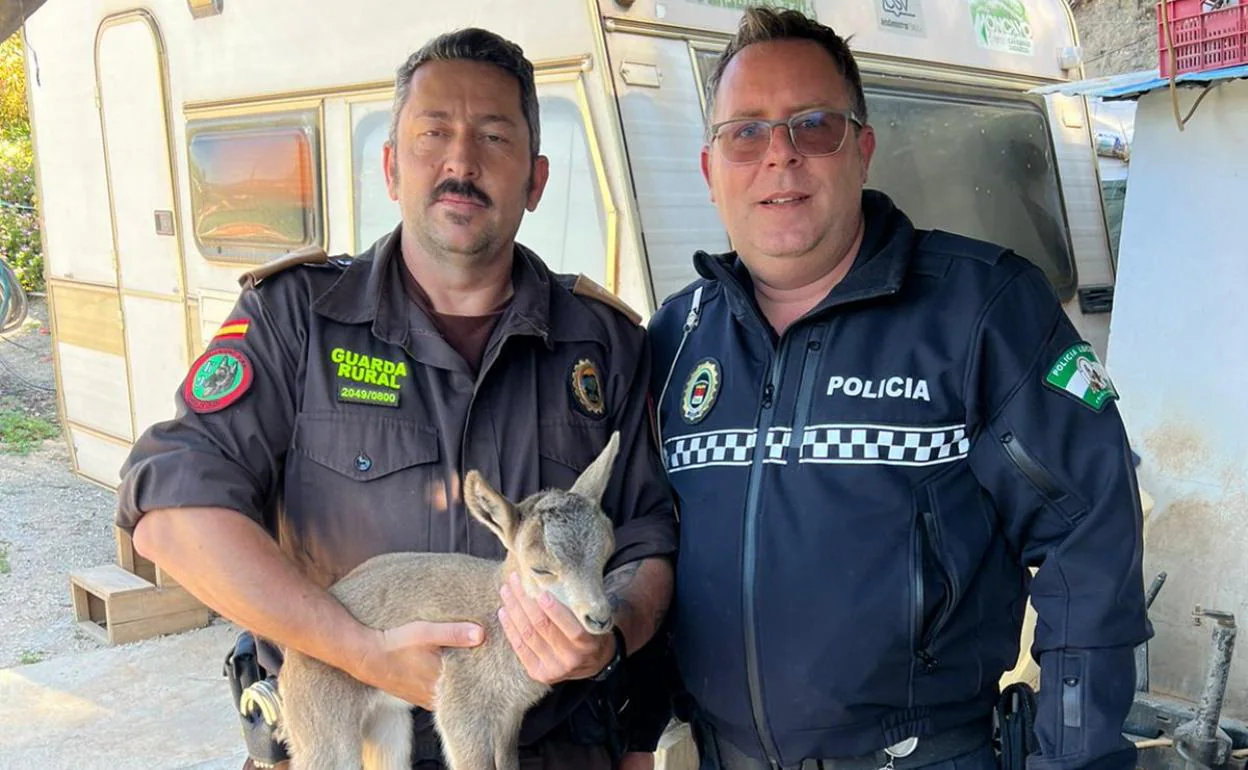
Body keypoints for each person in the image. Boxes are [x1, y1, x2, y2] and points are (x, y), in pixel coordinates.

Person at [116, 27, 675, 770]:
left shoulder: (604, 343)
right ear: (390, 166)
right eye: (432, 133)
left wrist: (606, 636)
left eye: (494, 137)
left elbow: (648, 539)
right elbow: (171, 513)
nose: (460, 161)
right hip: (344, 737)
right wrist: (361, 649)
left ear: (535, 179)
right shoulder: (295, 320)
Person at [646, 8, 1151, 770]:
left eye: (813, 125)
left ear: (863, 149)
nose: (778, 155)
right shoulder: (677, 336)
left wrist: (1073, 757)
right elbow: (641, 546)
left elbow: (1091, 544)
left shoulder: (981, 310)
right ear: (710, 168)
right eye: (745, 133)